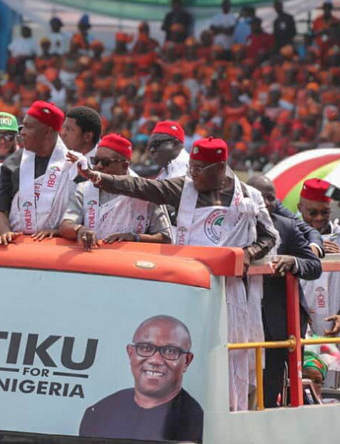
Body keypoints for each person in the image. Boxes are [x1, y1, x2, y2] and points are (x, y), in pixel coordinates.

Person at [75, 137, 278, 411]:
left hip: (228, 291)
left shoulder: (249, 198)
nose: (192, 174)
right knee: (183, 352)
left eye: (199, 169)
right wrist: (97, 177)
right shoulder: (185, 188)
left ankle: (229, 411)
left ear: (219, 168)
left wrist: (248, 254)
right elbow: (142, 186)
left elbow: (269, 237)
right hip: (187, 287)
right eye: (191, 166)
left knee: (228, 357)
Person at [246, 175, 323, 407]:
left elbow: (314, 266)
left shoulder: (286, 226)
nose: (268, 203)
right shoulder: (231, 223)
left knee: (269, 393)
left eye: (271, 198)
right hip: (238, 320)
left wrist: (292, 262)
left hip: (275, 325)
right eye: (262, 197)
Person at [79, 315, 202, 442]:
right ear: (131, 353)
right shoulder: (99, 414)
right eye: (145, 348)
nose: (155, 360)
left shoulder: (202, 424)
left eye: (170, 351)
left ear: (187, 361)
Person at [297, 178, 340, 387]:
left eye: (325, 212)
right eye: (312, 213)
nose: (319, 219)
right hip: (301, 330)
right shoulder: (288, 238)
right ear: (300, 208)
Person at [59, 134, 171, 249]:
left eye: (105, 162)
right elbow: (65, 225)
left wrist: (135, 237)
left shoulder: (145, 190)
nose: (98, 166)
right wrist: (80, 230)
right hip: (91, 259)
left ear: (124, 166)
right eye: (95, 160)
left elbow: (166, 238)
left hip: (129, 261)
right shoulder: (83, 189)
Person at [0, 101, 80, 245]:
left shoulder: (74, 165)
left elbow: (82, 213)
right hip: (18, 246)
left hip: (57, 248)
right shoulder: (13, 163)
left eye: (28, 127)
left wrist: (59, 231)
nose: (22, 132)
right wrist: (5, 232)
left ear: (47, 131)